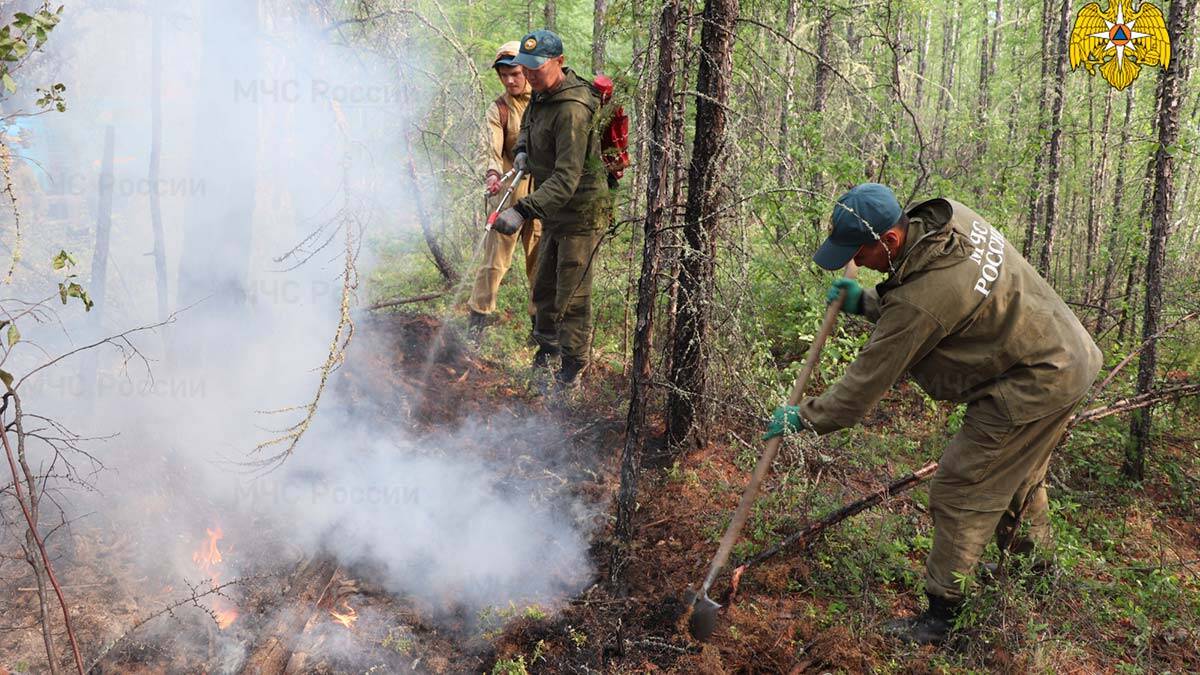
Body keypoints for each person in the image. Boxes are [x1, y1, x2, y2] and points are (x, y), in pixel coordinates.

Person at [764, 183, 1102, 644]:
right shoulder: (948, 221)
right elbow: (935, 293)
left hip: (1036, 381)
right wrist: (866, 301)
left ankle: (944, 618)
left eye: (858, 253)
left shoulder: (920, 300)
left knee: (962, 486)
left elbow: (861, 388)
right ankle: (1035, 576)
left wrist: (803, 417)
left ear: (891, 240)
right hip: (1067, 352)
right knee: (1017, 476)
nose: (857, 263)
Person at [491, 30, 610, 390]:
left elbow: (567, 178)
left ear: (558, 62)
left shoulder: (572, 109)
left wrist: (523, 210)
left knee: (572, 296)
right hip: (554, 211)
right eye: (524, 68)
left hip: (580, 213)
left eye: (536, 69)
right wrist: (524, 149)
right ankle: (546, 354)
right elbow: (528, 124)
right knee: (543, 287)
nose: (528, 76)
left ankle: (571, 374)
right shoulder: (542, 94)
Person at [467, 41, 541, 341]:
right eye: (503, 75)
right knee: (493, 263)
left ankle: (541, 332)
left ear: (526, 70)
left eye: (514, 73)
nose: (509, 80)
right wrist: (493, 173)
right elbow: (491, 147)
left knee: (540, 262)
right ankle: (477, 325)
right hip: (508, 191)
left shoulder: (544, 100)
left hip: (543, 193)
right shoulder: (498, 108)